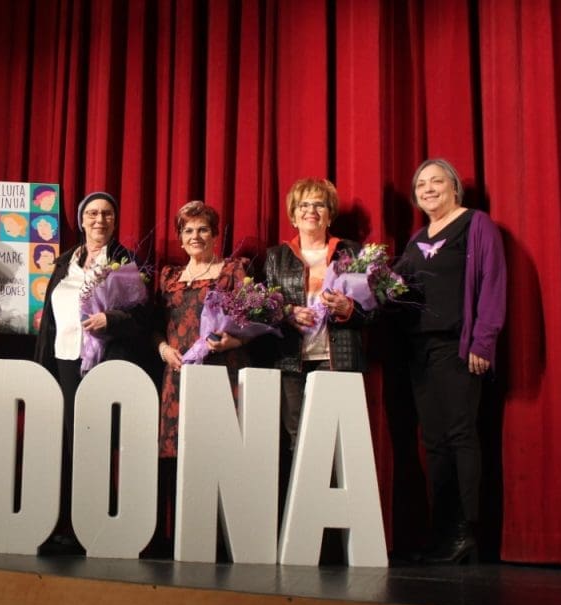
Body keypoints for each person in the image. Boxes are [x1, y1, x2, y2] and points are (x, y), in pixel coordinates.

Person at [396, 159, 506, 563]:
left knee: (461, 436)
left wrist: (483, 341)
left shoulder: (476, 225)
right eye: (420, 184)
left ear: (454, 187)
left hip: (457, 347)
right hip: (420, 352)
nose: (428, 189)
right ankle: (442, 533)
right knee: (434, 442)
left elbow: (493, 282)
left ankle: (466, 531)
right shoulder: (416, 239)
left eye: (436, 181)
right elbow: (395, 287)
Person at [33, 191, 152, 554]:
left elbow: (144, 316)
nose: (100, 220)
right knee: (70, 443)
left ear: (115, 221)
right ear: (82, 220)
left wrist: (110, 319)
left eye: (108, 214)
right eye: (93, 214)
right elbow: (50, 317)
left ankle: (100, 523)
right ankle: (72, 523)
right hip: (64, 360)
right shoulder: (65, 261)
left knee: (98, 443)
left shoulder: (124, 260)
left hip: (105, 362)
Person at [255, 179, 368, 487]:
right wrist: (287, 313)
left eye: (319, 204)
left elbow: (372, 310)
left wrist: (348, 308)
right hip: (292, 363)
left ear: (330, 215)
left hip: (338, 360)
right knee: (298, 440)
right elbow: (260, 311)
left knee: (335, 443)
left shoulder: (351, 252)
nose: (311, 211)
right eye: (303, 205)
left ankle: (334, 514)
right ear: (293, 215)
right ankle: (303, 509)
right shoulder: (276, 257)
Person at [154, 200, 250, 554]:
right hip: (178, 376)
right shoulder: (168, 277)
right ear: (180, 239)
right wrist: (163, 349)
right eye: (188, 230)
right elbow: (154, 326)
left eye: (203, 229)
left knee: (219, 454)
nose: (196, 236)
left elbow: (256, 321)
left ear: (215, 235)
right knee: (178, 457)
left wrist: (234, 341)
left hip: (221, 373)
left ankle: (222, 541)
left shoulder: (234, 271)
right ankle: (182, 536)